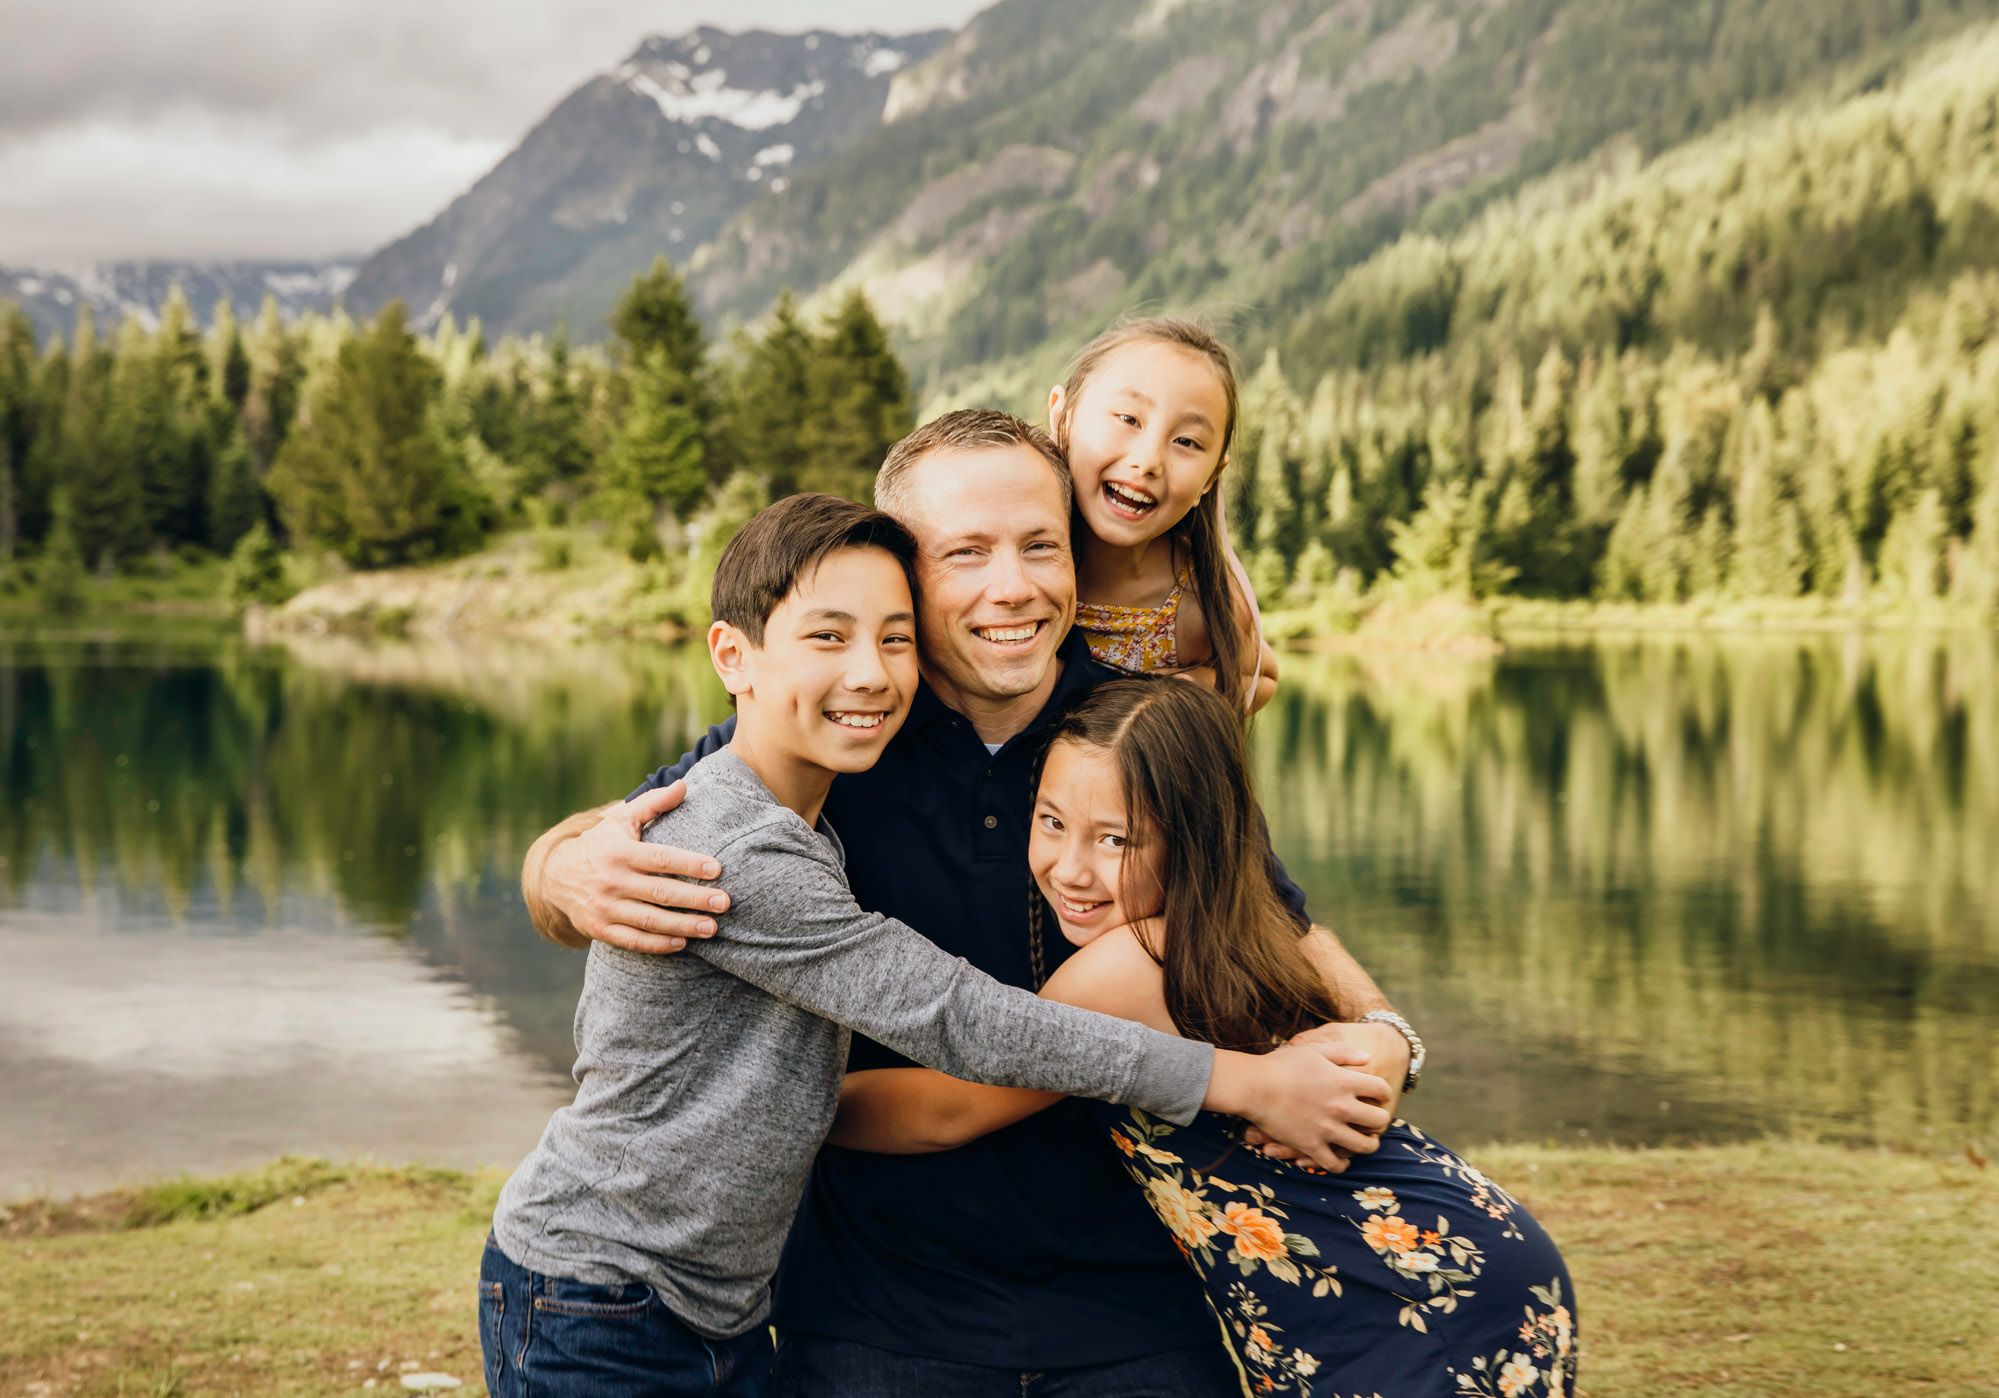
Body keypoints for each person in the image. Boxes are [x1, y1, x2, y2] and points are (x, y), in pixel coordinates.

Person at [520, 411, 1421, 1396]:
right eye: (966, 554)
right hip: (872, 1314)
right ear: (907, 575)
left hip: (1136, 1307)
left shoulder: (1141, 725)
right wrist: (556, 869)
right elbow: (639, 838)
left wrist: (1382, 1031)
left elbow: (1274, 919)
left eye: (1041, 545)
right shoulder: (836, 726)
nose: (1013, 586)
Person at [831, 676, 1579, 1398]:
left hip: (1404, 1290)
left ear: (1191, 841)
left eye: (1116, 840)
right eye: (1052, 821)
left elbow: (951, 1110)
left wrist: (780, 1103)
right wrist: (1388, 1034)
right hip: (1419, 1271)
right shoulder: (1237, 926)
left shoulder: (1128, 968)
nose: (1070, 869)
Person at [1050, 317, 1280, 713]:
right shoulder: (1012, 555)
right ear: (1063, 418)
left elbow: (1261, 675)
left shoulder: (1196, 598)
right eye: (1128, 419)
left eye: (1187, 441)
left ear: (1211, 479)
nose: (1148, 461)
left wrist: (1184, 691)